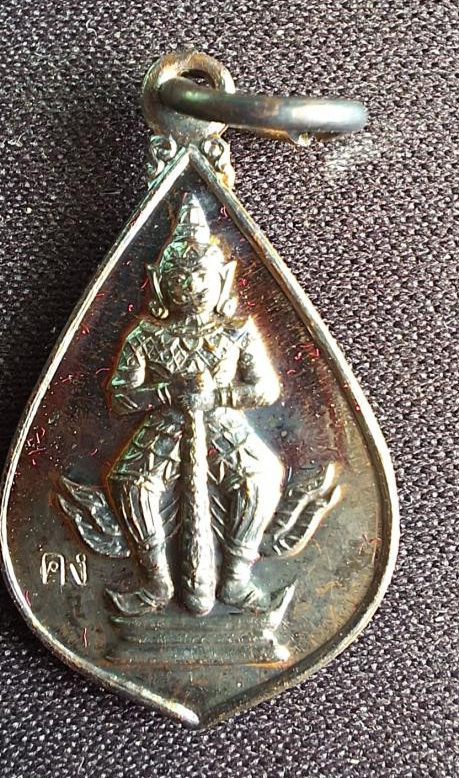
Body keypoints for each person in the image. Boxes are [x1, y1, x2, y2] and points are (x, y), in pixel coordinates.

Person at [105, 193, 283, 616]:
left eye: (201, 277)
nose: (191, 288)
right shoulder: (147, 335)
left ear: (223, 278)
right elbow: (120, 395)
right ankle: (155, 580)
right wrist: (166, 392)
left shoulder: (238, 331)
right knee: (129, 483)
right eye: (179, 279)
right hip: (166, 424)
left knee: (261, 479)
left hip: (224, 423)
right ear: (159, 283)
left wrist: (217, 396)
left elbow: (265, 389)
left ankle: (236, 578)